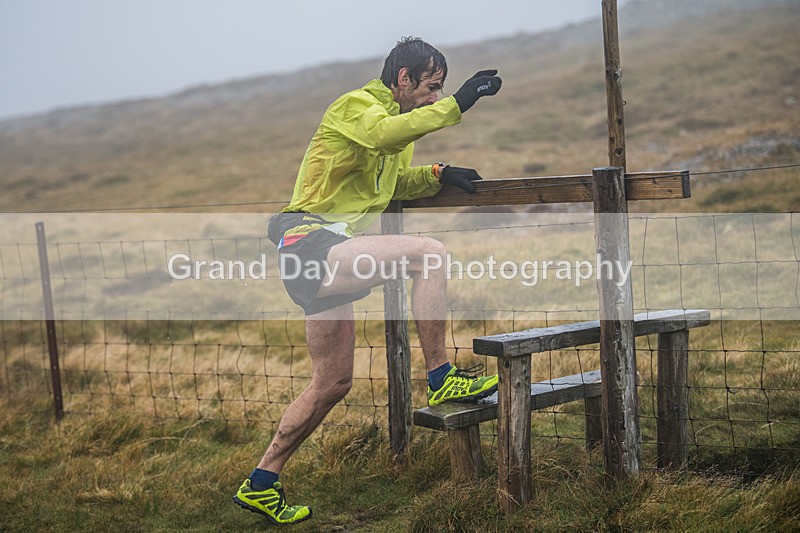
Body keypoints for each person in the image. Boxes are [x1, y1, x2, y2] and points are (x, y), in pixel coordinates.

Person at [233, 36, 503, 525]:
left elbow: (391, 182)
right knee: (431, 254)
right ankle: (441, 377)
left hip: (324, 255)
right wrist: (461, 102)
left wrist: (439, 174)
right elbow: (383, 136)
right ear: (403, 79)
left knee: (332, 382)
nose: (435, 98)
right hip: (309, 244)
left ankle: (262, 482)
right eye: (431, 87)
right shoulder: (355, 107)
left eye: (441, 91)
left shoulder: (395, 131)